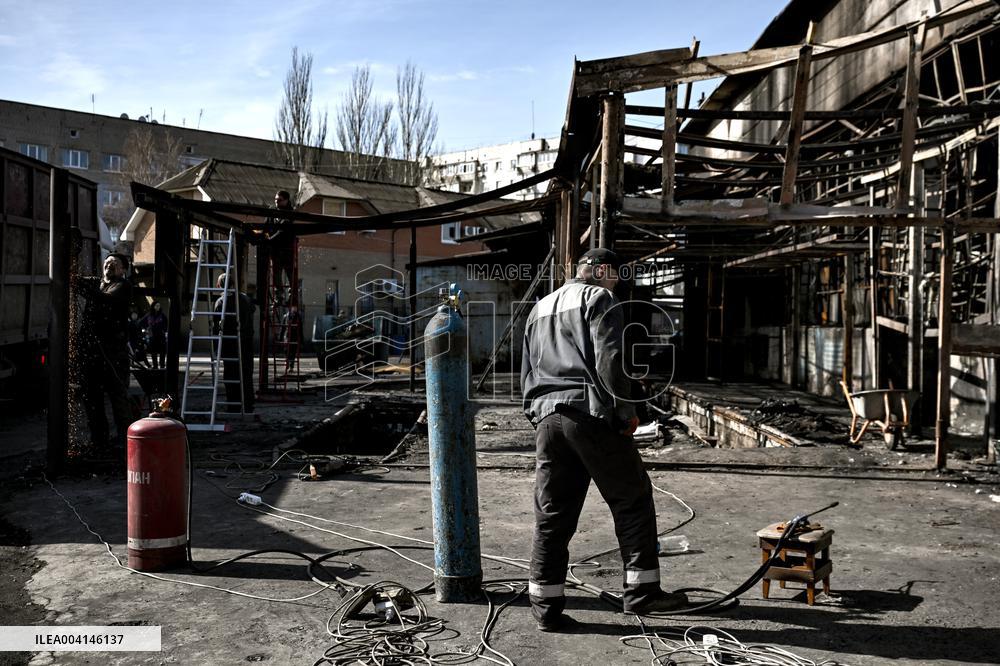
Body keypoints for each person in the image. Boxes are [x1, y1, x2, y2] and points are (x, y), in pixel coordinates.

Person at [520, 247, 687, 632]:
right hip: (589, 414)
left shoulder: (540, 307)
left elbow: (527, 368)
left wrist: (537, 413)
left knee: (552, 514)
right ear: (599, 270)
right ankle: (642, 593)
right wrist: (626, 413)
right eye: (615, 274)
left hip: (548, 418)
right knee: (632, 499)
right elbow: (609, 360)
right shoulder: (598, 297)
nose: (617, 282)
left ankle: (545, 607)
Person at [76, 253, 134, 453]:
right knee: (92, 399)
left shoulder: (122, 286)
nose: (109, 265)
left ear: (123, 270)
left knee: (118, 399)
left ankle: (126, 443)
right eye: (107, 262)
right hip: (92, 355)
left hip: (113, 356)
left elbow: (106, 299)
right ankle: (99, 441)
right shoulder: (97, 283)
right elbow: (76, 282)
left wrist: (86, 288)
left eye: (115, 263)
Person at [214, 273, 255, 413]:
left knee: (231, 375)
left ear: (219, 285)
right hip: (245, 343)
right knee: (246, 374)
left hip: (229, 345)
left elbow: (216, 326)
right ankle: (248, 404)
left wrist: (216, 348)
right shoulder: (245, 299)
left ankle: (233, 405)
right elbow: (252, 310)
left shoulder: (220, 302)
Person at [266, 190, 296, 301]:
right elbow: (266, 225)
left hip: (287, 248)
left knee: (290, 273)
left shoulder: (290, 213)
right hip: (275, 249)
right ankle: (280, 294)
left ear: (286, 200)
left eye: (279, 200)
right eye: (275, 200)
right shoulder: (272, 211)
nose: (276, 202)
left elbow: (283, 230)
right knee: (276, 273)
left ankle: (292, 295)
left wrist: (269, 240)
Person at [142, 301, 168, 369]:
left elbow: (166, 324)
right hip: (152, 336)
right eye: (156, 305)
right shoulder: (149, 315)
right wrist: (147, 329)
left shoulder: (162, 315)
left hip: (161, 335)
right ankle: (155, 365)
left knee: (162, 351)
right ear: (153, 306)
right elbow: (141, 322)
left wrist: (164, 330)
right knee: (154, 352)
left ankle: (162, 365)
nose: (158, 307)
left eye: (159, 306)